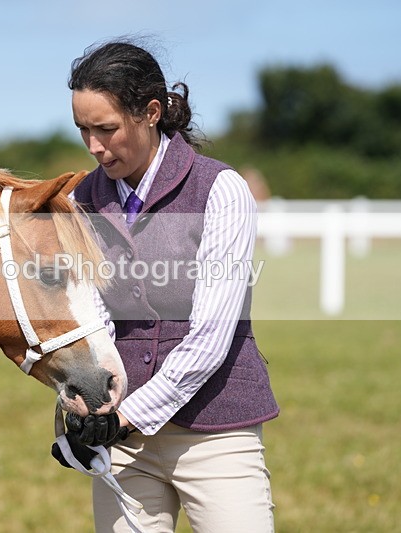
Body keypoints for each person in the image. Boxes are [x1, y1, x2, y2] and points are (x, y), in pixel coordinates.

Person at [52, 40, 279, 532]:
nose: (93, 146)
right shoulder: (79, 201)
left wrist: (125, 416)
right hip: (122, 443)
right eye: (83, 130)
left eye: (106, 129)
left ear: (151, 112)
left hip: (216, 432)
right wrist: (84, 404)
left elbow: (211, 335)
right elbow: (90, 318)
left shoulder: (221, 190)